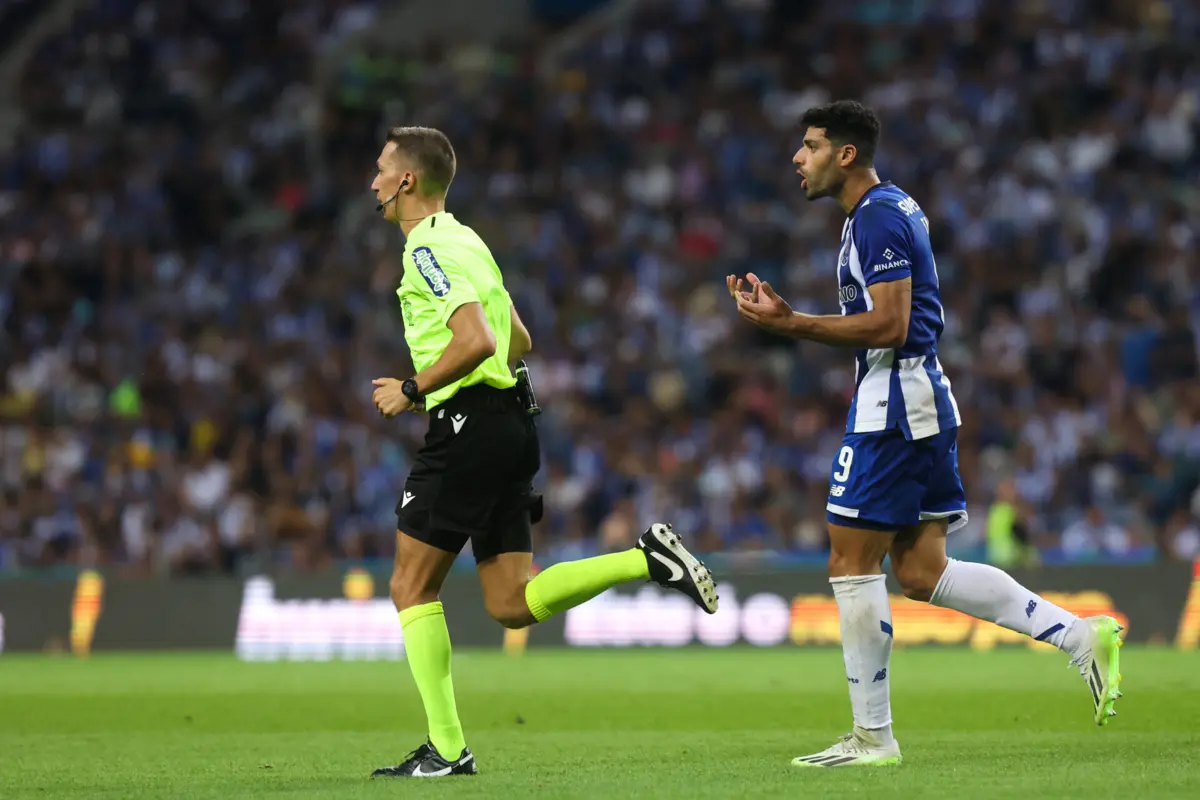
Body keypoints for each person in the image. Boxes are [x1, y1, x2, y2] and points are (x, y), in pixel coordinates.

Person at [726, 101, 1124, 768]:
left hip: (894, 403)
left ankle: (872, 738)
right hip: (918, 399)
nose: (799, 158)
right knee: (920, 570)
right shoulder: (887, 210)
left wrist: (793, 325)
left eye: (812, 145)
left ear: (845, 154)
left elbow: (889, 324)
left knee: (850, 562)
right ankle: (1079, 634)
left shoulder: (878, 216)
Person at [367, 126, 717, 778]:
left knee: (410, 585)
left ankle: (446, 750)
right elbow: (517, 338)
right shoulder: (468, 240)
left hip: (470, 426)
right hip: (512, 422)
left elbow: (476, 340)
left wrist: (415, 388)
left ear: (407, 181)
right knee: (510, 601)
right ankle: (645, 561)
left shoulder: (424, 251)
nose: (374, 181)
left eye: (382, 169)